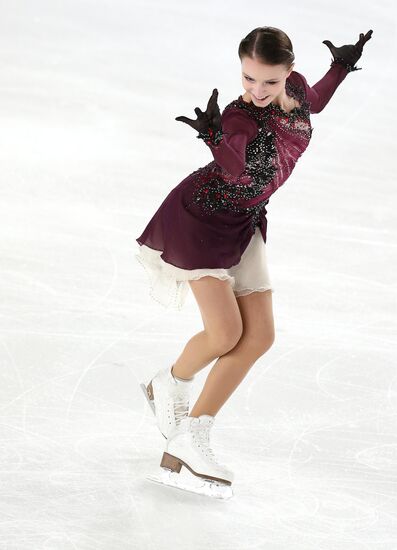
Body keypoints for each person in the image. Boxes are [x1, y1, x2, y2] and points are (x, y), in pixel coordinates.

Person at [137, 26, 373, 490]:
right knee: (226, 333)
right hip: (202, 217)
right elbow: (236, 165)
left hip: (245, 222)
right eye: (248, 79)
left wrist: (341, 67)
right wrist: (213, 137)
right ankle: (170, 383)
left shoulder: (299, 90)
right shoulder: (239, 116)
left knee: (259, 336)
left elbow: (315, 101)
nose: (257, 90)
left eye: (268, 81)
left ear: (288, 73)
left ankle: (194, 430)